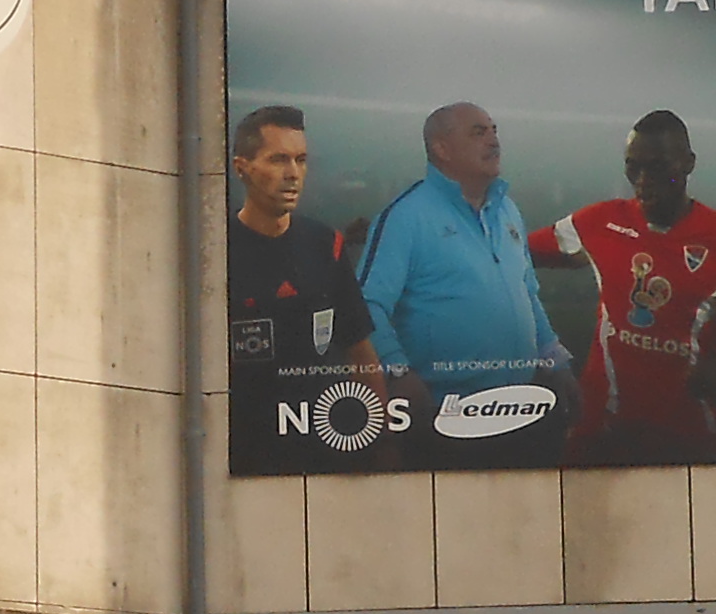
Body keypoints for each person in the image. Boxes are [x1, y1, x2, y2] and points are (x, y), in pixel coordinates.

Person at [525, 111, 716, 462]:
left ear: (688, 164)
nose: (642, 180)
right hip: (599, 432)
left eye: (656, 167)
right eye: (633, 167)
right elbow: (515, 255)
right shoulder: (600, 222)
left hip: (685, 437)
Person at [352, 101, 578, 464]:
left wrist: (555, 361)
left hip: (521, 411)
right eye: (478, 132)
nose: (493, 140)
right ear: (442, 148)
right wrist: (398, 372)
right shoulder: (406, 217)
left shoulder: (507, 210)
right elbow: (365, 304)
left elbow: (528, 292)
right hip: (448, 417)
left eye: (494, 130)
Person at [222, 106, 390, 473]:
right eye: (278, 160)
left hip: (326, 445)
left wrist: (378, 443)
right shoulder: (217, 250)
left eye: (300, 160)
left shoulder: (324, 243)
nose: (292, 174)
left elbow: (361, 351)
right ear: (242, 168)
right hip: (247, 454)